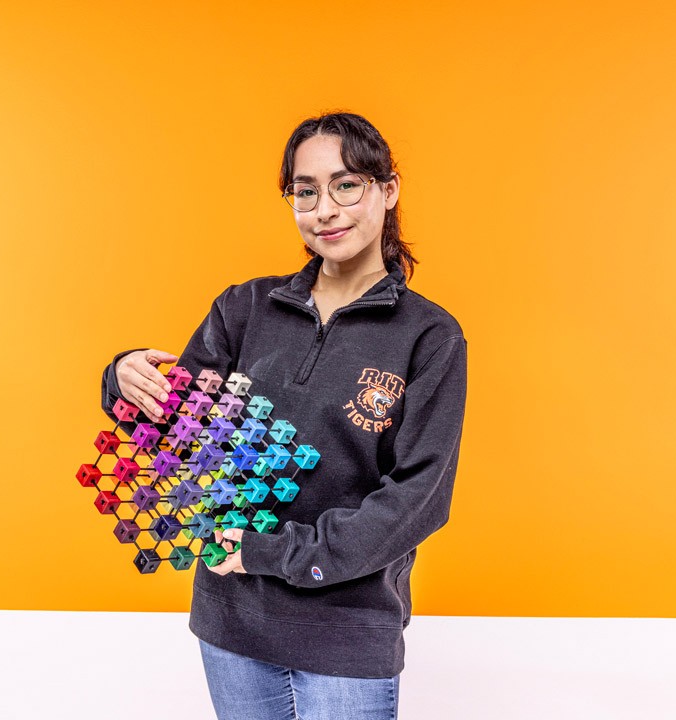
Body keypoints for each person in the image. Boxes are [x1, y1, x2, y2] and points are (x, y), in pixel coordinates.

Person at [100, 112, 467, 720]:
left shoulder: (429, 337)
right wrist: (124, 378)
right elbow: (179, 432)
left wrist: (272, 551)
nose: (325, 209)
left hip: (346, 632)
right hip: (230, 621)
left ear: (388, 189)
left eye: (346, 185)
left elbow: (418, 499)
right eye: (305, 191)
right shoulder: (246, 308)